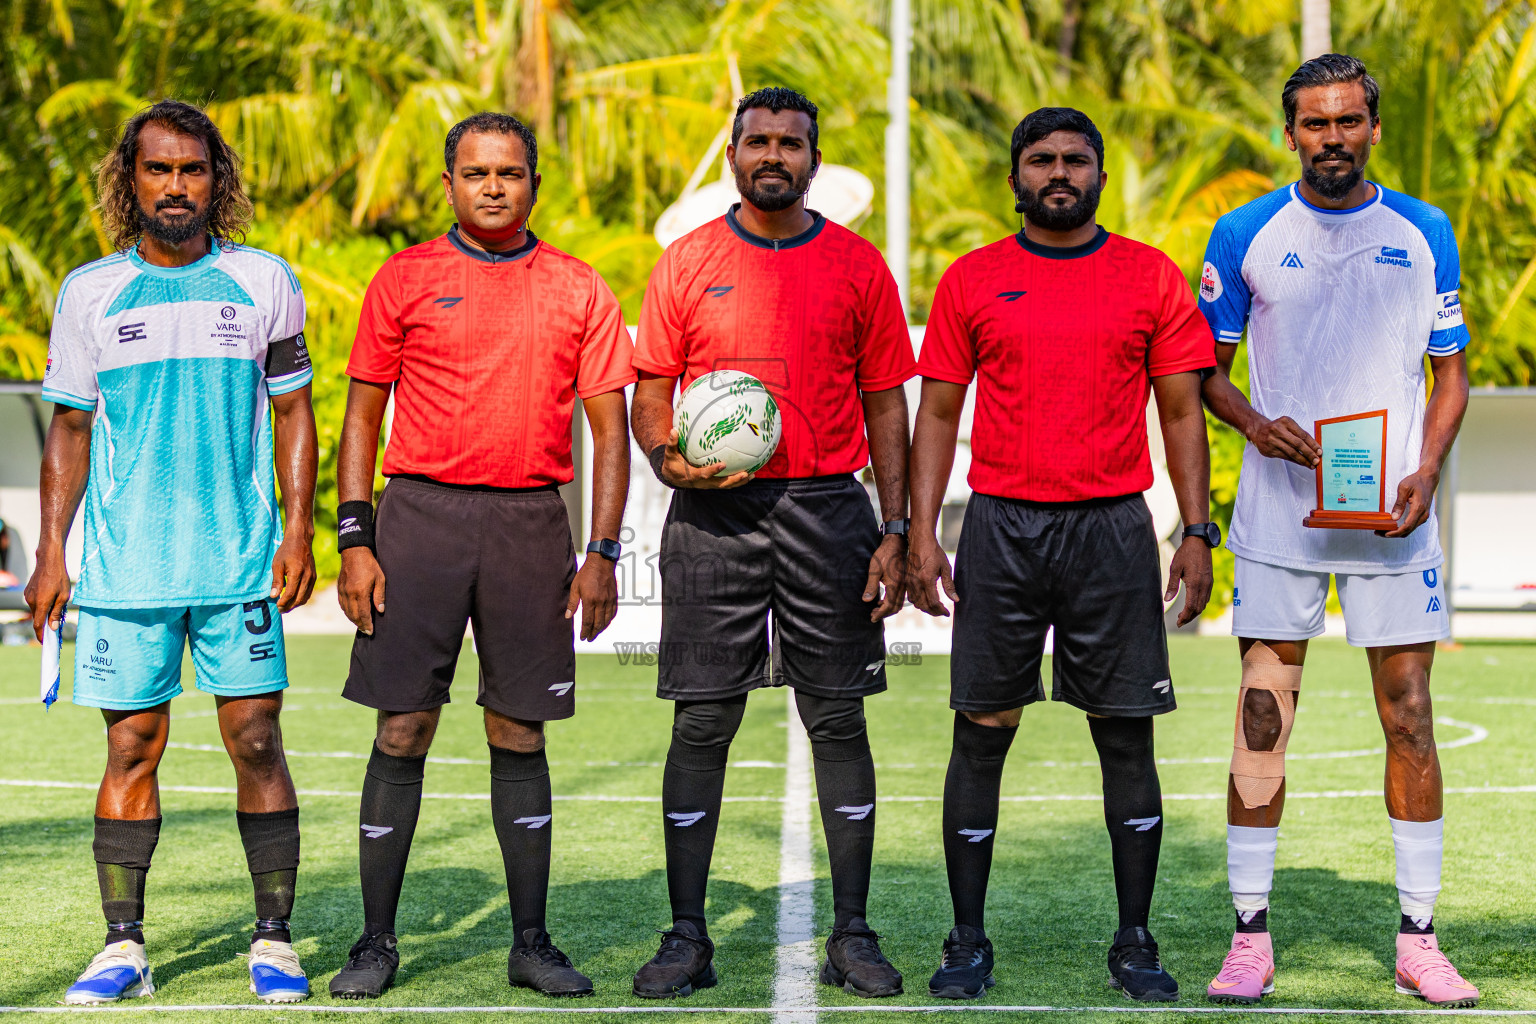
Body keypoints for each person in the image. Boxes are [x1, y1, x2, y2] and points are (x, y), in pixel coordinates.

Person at [908, 107, 1217, 1003]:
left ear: (1100, 177)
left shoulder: (1148, 276)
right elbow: (937, 413)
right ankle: (967, 939)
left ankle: (1136, 941)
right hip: (1002, 527)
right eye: (1040, 159)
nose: (1058, 173)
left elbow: (1182, 410)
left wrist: (1197, 532)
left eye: (1075, 160)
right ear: (1015, 177)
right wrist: (922, 532)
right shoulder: (973, 278)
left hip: (1113, 529)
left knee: (1125, 736)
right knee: (981, 731)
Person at [326, 112, 634, 1000]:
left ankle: (531, 944)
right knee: (402, 727)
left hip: (530, 524)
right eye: (476, 172)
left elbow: (609, 431)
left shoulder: (579, 287)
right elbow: (361, 415)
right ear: (449, 185)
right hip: (417, 519)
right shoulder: (405, 276)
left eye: (509, 172)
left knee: (518, 728)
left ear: (534, 182)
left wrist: (602, 549)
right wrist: (355, 538)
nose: (493, 186)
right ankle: (375, 943)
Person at [1197, 54, 1477, 1008]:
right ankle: (1248, 937)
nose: (1332, 138)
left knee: (1409, 714)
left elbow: (1450, 373)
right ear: (1290, 134)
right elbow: (1204, 371)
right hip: (1282, 512)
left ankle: (1419, 940)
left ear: (1373, 128)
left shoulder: (1424, 231)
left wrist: (1427, 469)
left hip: (1392, 514)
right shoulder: (1245, 233)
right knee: (1262, 715)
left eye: (1348, 120)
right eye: (1314, 124)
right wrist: (1252, 424)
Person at [26, 100, 317, 1005]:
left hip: (238, 561)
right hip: (127, 569)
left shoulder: (264, 281)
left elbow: (294, 412)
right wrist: (51, 553)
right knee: (130, 747)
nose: (177, 185)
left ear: (216, 179)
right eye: (159, 169)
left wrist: (299, 531)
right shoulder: (89, 292)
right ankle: (124, 948)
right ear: (132, 180)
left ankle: (274, 941)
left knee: (257, 739)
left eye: (193, 169)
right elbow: (70, 429)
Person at [627, 87, 913, 1000]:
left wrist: (897, 528)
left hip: (828, 508)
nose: (774, 155)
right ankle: (686, 936)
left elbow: (887, 404)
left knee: (837, 718)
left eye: (792, 143)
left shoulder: (859, 266)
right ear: (734, 157)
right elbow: (651, 391)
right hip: (713, 514)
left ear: (814, 160)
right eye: (758, 141)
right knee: (703, 720)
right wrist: (667, 458)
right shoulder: (686, 262)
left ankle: (853, 934)